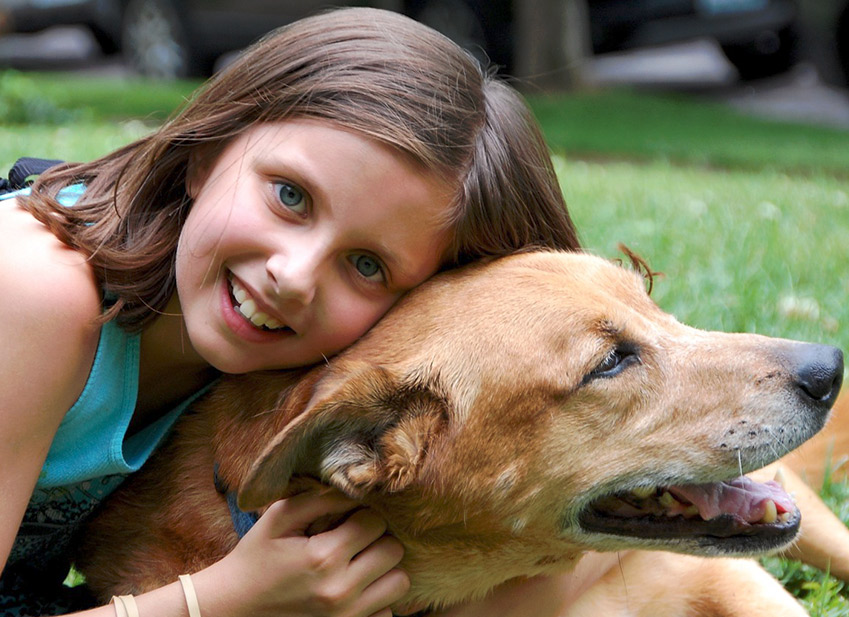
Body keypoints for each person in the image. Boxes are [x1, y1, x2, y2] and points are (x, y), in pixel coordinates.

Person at [0, 7, 584, 617]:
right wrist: (223, 600)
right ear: (208, 151)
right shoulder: (37, 289)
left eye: (366, 265)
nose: (293, 277)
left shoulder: (279, 366)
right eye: (290, 196)